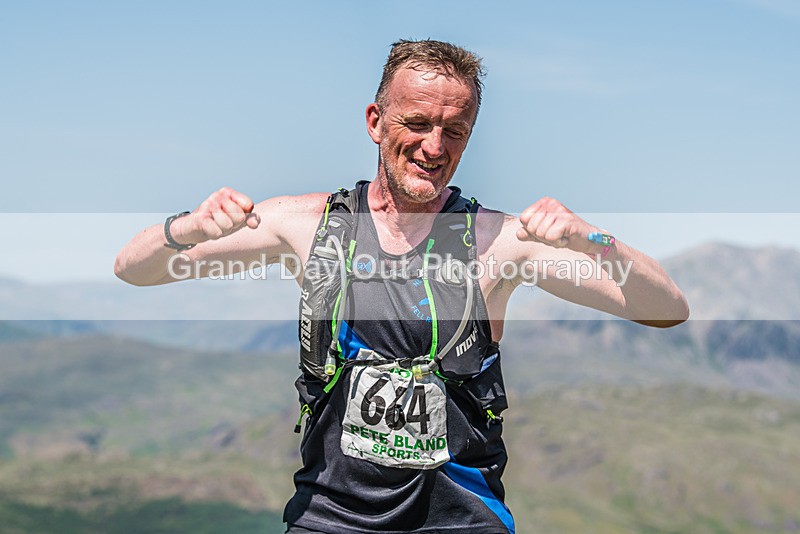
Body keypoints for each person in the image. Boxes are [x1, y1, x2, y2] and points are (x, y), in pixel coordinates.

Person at [115, 39, 689, 534]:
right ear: (374, 121)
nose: (435, 149)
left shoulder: (499, 241)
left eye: (455, 131)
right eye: (417, 124)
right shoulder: (306, 226)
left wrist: (593, 240)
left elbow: (667, 309)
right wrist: (184, 229)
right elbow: (133, 267)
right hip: (328, 516)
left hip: (463, 520)